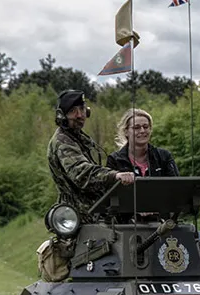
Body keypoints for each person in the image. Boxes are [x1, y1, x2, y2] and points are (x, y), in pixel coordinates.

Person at [47, 89, 134, 220]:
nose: (79, 115)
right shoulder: (63, 142)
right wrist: (114, 175)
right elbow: (81, 173)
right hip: (77, 216)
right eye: (72, 111)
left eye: (81, 109)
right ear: (61, 116)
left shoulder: (78, 137)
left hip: (92, 213)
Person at [106, 108, 179, 177]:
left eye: (146, 127)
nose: (142, 131)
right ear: (126, 132)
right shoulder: (114, 160)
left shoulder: (164, 157)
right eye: (136, 127)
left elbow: (176, 186)